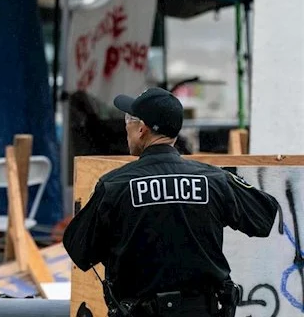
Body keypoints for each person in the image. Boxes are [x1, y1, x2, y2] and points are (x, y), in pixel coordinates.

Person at [63, 87, 280, 317]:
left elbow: (79, 249)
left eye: (129, 120)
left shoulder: (115, 185)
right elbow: (264, 215)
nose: (125, 126)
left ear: (142, 129)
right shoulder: (214, 180)